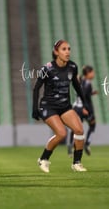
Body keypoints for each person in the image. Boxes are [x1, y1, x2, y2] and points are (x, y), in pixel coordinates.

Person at [32, 40, 90, 173]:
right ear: (56, 52)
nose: (67, 52)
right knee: (61, 133)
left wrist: (84, 101)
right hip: (48, 106)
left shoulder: (72, 67)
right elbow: (36, 89)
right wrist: (35, 109)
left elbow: (76, 85)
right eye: (64, 49)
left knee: (79, 130)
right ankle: (43, 159)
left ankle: (77, 163)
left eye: (69, 49)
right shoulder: (47, 68)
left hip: (64, 106)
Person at [68, 65, 98, 156]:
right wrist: (84, 108)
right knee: (92, 124)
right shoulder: (87, 83)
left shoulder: (80, 80)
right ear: (88, 73)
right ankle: (87, 143)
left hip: (76, 107)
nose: (94, 74)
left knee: (76, 128)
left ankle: (71, 147)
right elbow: (83, 95)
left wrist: (92, 93)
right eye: (92, 72)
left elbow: (83, 92)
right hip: (83, 108)